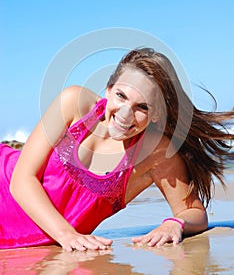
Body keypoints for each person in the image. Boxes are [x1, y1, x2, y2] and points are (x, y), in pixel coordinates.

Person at [0, 47, 233, 252]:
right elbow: (21, 179)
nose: (124, 115)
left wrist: (175, 224)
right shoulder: (73, 103)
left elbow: (193, 213)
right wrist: (66, 234)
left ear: (157, 114)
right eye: (121, 96)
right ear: (108, 89)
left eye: (142, 107)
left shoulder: (155, 153)